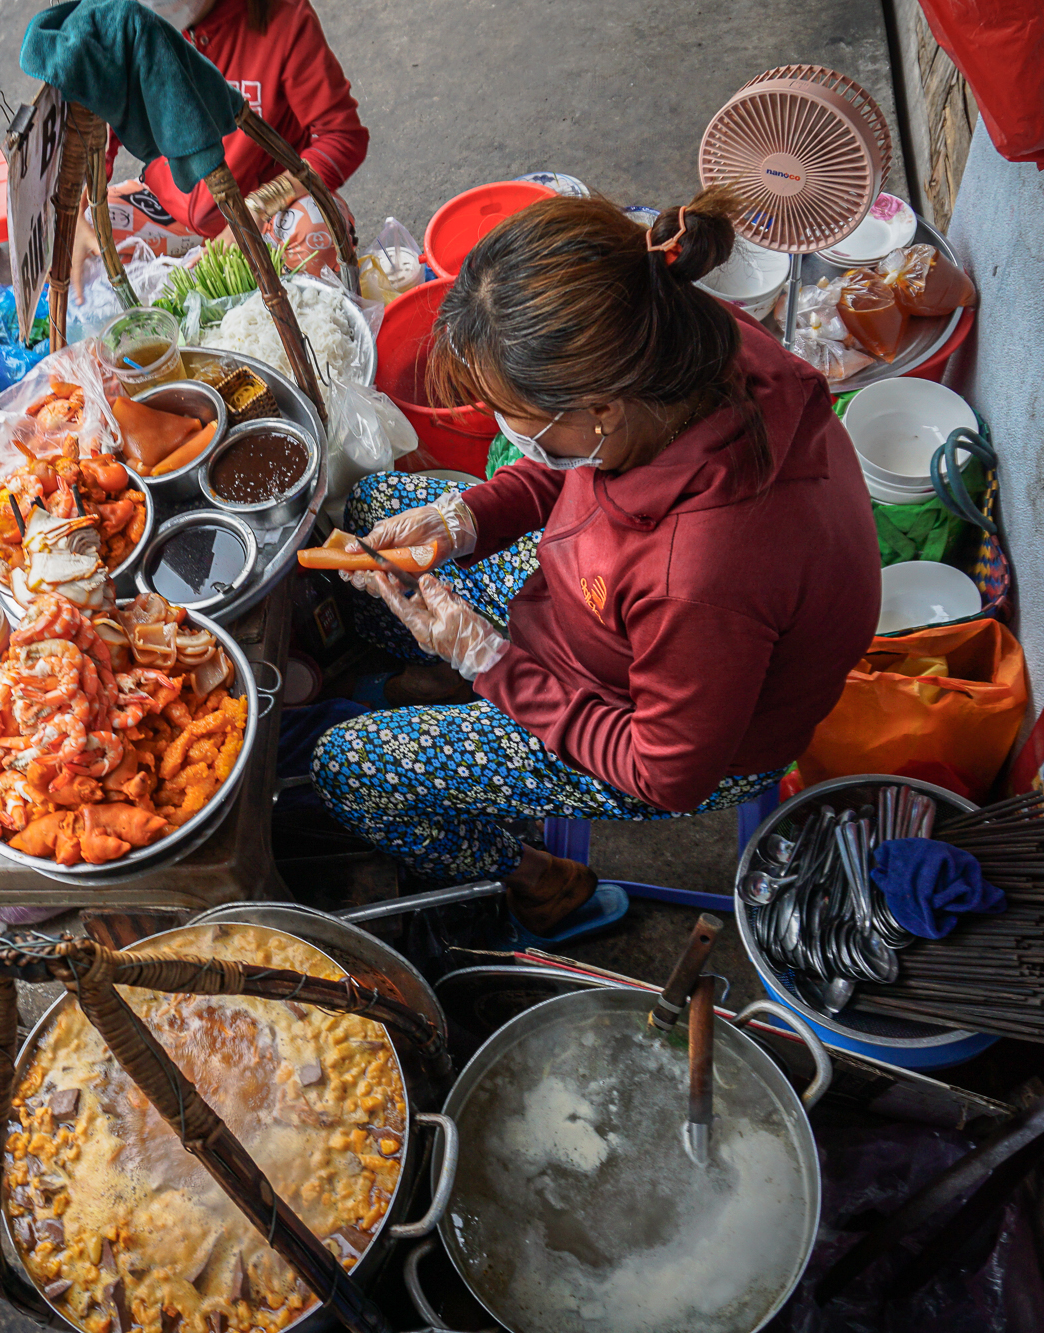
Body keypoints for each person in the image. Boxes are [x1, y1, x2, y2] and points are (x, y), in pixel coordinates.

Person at [310, 189, 882, 934]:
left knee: (345, 767)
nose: (501, 430)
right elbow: (574, 466)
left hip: (644, 730)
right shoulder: (673, 342)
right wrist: (465, 518)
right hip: (594, 601)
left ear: (598, 409)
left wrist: (492, 662)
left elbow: (665, 772)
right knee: (378, 507)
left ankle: (540, 881)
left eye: (507, 413)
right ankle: (440, 673)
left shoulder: (704, 574)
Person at [70, 0, 367, 296]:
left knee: (316, 233)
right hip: (170, 210)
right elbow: (94, 134)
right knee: (74, 243)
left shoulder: (285, 18)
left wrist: (255, 209)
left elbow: (342, 137)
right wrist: (77, 218)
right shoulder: (128, 21)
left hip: (267, 216)